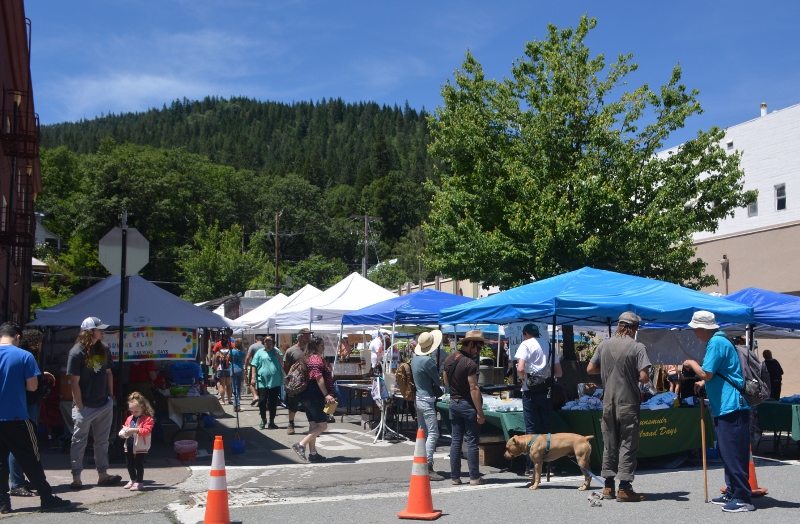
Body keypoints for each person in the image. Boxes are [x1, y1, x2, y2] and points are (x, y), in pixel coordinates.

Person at [683, 311, 754, 512]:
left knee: (733, 452)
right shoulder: (720, 340)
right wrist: (703, 381)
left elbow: (707, 372)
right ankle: (733, 491)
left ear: (702, 328)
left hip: (731, 405)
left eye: (695, 327)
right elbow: (715, 374)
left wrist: (691, 364)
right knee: (727, 450)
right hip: (727, 405)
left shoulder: (716, 342)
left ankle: (743, 497)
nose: (694, 331)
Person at [0, 322, 72, 514]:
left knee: (0, 462)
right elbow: (32, 387)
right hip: (16, 416)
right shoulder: (25, 356)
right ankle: (47, 497)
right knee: (31, 458)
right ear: (17, 337)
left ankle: (3, 503)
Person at [586, 311, 650, 502]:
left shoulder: (604, 344)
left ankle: (608, 487)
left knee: (609, 442)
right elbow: (644, 377)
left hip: (608, 401)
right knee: (627, 443)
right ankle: (624, 487)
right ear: (633, 328)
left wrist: (608, 373)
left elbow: (590, 369)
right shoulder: (638, 347)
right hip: (627, 401)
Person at [67, 317, 122, 490]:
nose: (103, 332)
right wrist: (80, 406)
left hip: (103, 403)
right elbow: (74, 383)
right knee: (79, 441)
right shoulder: (76, 352)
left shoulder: (104, 348)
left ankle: (103, 475)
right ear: (89, 331)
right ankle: (77, 477)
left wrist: (111, 396)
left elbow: (108, 373)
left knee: (102, 441)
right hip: (85, 406)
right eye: (100, 329)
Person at [8, 329, 54, 498]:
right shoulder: (28, 356)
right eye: (39, 341)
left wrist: (42, 374)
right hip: (28, 403)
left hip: (27, 402)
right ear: (35, 342)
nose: (41, 345)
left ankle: (19, 480)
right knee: (23, 443)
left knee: (21, 443)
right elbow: (30, 384)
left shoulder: (24, 355)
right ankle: (17, 483)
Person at [515, 323, 562, 476]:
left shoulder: (525, 344)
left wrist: (523, 379)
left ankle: (531, 467)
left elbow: (520, 368)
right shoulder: (549, 346)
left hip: (530, 392)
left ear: (526, 333)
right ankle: (550, 465)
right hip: (547, 391)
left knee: (531, 430)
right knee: (547, 430)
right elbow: (559, 373)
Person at [443, 329, 487, 486]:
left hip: (454, 402)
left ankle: (455, 477)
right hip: (467, 404)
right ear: (471, 344)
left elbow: (446, 381)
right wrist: (480, 412)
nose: (479, 351)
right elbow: (474, 388)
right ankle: (474, 477)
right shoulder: (469, 363)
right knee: (472, 442)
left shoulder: (449, 359)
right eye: (478, 347)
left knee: (455, 441)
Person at [291, 337, 335, 463]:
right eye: (321, 345)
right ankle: (301, 444)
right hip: (314, 395)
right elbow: (318, 377)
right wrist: (326, 394)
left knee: (313, 425)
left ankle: (313, 453)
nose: (323, 347)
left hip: (306, 395)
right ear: (315, 346)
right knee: (322, 425)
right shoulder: (315, 358)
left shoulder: (306, 358)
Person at [410, 330, 445, 481]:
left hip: (419, 398)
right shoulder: (427, 361)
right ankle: (428, 464)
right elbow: (438, 381)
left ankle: (421, 462)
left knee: (422, 432)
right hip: (427, 399)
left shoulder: (415, 360)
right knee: (433, 433)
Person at [119, 392, 154, 491]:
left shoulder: (148, 419)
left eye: (136, 411)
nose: (133, 413)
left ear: (143, 408)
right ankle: (133, 480)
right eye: (131, 411)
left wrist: (135, 430)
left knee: (139, 464)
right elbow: (125, 428)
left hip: (140, 445)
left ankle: (139, 482)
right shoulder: (130, 418)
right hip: (130, 443)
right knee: (129, 463)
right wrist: (123, 433)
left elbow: (147, 431)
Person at [250, 336, 283, 429]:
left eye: (270, 344)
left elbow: (283, 362)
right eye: (266, 343)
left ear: (273, 344)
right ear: (263, 344)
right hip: (262, 380)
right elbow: (254, 364)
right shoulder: (260, 352)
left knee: (273, 402)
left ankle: (271, 421)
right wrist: (253, 377)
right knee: (262, 400)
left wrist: (278, 355)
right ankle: (263, 419)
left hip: (275, 380)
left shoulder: (276, 351)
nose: (268, 345)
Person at [283, 328, 311, 435]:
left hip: (308, 382)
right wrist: (292, 378)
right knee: (293, 404)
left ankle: (312, 425)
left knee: (309, 404)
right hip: (295, 383)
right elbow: (286, 367)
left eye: (309, 335)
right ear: (300, 337)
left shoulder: (310, 350)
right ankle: (291, 423)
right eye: (306, 335)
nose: (308, 337)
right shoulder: (291, 351)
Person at [245, 335, 265, 406]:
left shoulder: (252, 346)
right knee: (261, 383)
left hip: (254, 366)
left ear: (256, 340)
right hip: (263, 367)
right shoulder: (264, 346)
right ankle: (260, 398)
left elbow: (247, 357)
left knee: (251, 382)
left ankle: (255, 396)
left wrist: (246, 367)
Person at [212, 337, 233, 405]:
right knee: (229, 385)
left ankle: (223, 401)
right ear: (227, 344)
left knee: (222, 385)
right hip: (228, 369)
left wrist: (214, 367)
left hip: (221, 369)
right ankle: (229, 399)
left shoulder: (218, 352)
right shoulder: (230, 352)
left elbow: (215, 360)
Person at [230, 339, 247, 412]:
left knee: (234, 388)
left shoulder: (232, 351)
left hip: (233, 369)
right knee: (238, 388)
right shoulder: (243, 353)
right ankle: (238, 405)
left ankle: (236, 405)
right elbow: (243, 361)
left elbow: (229, 359)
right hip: (240, 369)